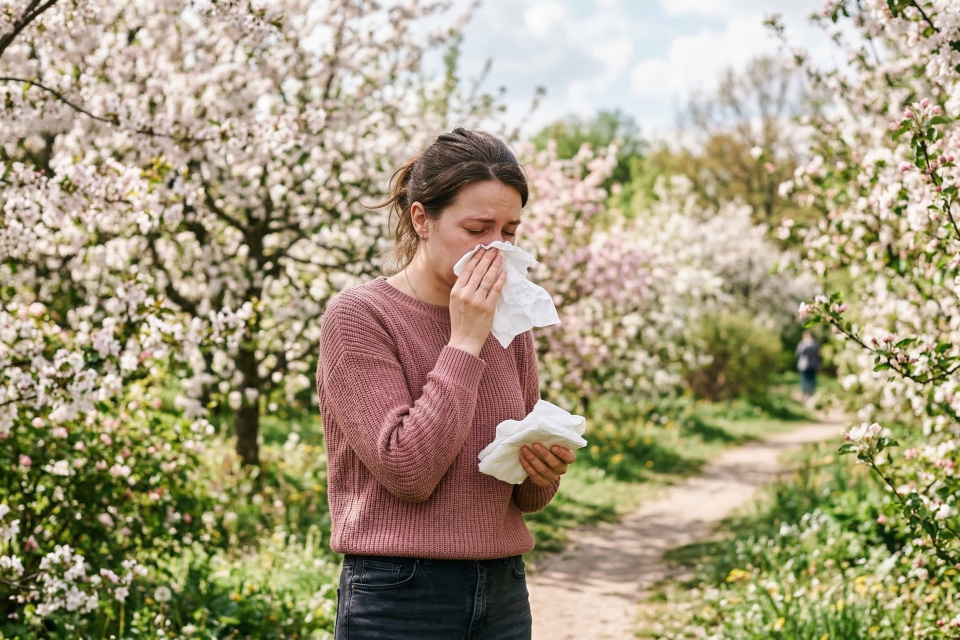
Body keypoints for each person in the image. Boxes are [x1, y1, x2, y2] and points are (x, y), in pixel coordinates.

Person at [315, 127, 577, 639]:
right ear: (422, 219)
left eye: (510, 231)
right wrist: (464, 342)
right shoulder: (360, 317)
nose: (496, 249)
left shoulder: (509, 320)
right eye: (478, 228)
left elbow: (525, 498)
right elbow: (407, 470)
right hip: (398, 594)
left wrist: (543, 469)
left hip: (501, 588)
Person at [795, 330, 821, 399]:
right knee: (812, 379)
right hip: (813, 364)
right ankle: (810, 393)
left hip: (804, 365)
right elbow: (818, 355)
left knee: (804, 379)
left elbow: (797, 353)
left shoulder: (802, 343)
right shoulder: (815, 344)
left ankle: (804, 393)